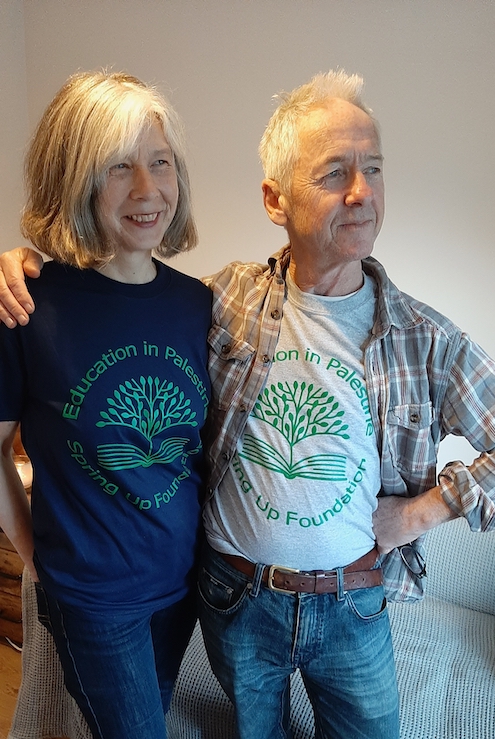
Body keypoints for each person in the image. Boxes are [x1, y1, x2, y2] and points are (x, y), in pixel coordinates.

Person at [1, 69, 495, 739]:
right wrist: (18, 263)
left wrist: (417, 512)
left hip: (331, 600)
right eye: (333, 172)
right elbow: (109, 292)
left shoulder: (421, 337)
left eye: (373, 168)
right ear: (275, 198)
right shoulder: (226, 302)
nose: (360, 192)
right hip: (229, 598)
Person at [0, 71, 212, 739]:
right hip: (92, 599)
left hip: (181, 584)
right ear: (76, 179)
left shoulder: (197, 303)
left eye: (160, 162)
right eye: (119, 167)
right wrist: (34, 557)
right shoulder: (28, 304)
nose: (148, 190)